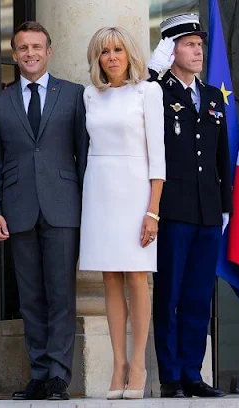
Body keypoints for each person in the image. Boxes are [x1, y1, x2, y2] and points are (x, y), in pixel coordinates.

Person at [0, 21, 88, 401]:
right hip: (18, 209)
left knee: (61, 295)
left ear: (49, 51)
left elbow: (84, 157)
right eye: (23, 47)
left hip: (63, 207)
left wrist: (87, 210)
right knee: (30, 297)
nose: (30, 54)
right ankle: (39, 373)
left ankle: (58, 376)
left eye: (36, 47)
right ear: (14, 53)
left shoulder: (74, 95)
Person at [147, 13, 231, 398]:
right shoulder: (156, 91)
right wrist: (151, 75)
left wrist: (225, 205)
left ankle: (193, 373)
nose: (198, 51)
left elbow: (220, 155)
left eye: (200, 45)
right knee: (170, 295)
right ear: (171, 48)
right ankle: (171, 376)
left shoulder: (213, 96)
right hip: (173, 209)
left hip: (207, 210)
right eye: (189, 45)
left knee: (199, 296)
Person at [80, 27, 165, 400]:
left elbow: (159, 155)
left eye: (117, 50)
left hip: (136, 190)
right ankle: (117, 366)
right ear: (97, 59)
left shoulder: (149, 91)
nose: (111, 57)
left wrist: (153, 211)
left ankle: (139, 364)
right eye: (104, 52)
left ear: (130, 54)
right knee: (109, 278)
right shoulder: (89, 95)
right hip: (99, 187)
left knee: (137, 277)